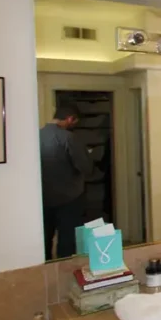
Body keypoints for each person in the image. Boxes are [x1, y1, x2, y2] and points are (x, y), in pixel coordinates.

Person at [40, 103, 94, 260]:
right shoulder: (68, 138)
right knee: (67, 241)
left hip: (42, 198)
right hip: (69, 198)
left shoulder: (35, 136)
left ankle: (45, 275)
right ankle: (64, 275)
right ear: (70, 119)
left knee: (44, 240)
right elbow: (85, 166)